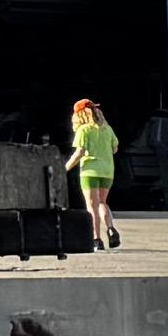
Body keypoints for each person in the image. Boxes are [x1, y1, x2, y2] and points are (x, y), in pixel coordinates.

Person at [69, 95, 121, 248]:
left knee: (92, 206)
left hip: (89, 171)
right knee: (102, 202)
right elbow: (115, 148)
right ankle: (110, 228)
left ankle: (96, 239)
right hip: (107, 171)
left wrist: (65, 168)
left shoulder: (83, 130)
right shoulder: (107, 129)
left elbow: (79, 152)